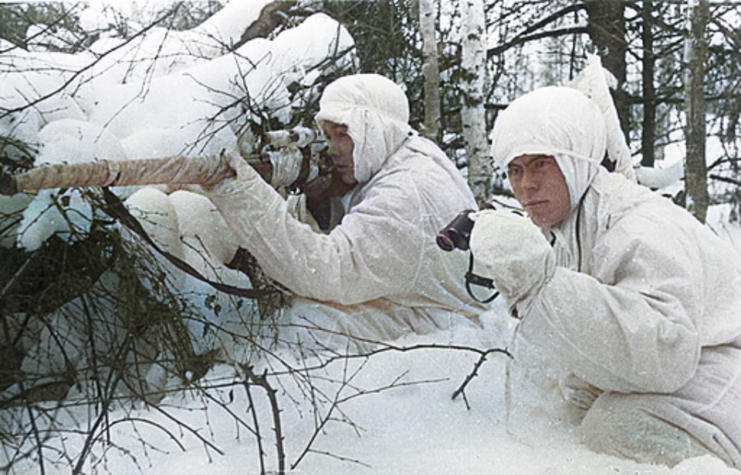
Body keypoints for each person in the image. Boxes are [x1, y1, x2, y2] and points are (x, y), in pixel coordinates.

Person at [467, 86, 741, 468]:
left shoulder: (636, 226)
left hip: (721, 370)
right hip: (691, 375)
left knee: (614, 429)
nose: (526, 185)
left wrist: (539, 286)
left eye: (540, 164)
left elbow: (666, 350)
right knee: (563, 419)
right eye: (515, 170)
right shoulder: (575, 222)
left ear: (575, 162)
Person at [205, 73, 486, 348]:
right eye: (328, 137)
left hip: (445, 328)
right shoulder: (411, 154)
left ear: (376, 128)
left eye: (343, 134)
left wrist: (242, 194)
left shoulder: (402, 193)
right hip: (432, 304)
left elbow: (327, 272)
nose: (333, 150)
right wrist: (318, 203)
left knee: (306, 323)